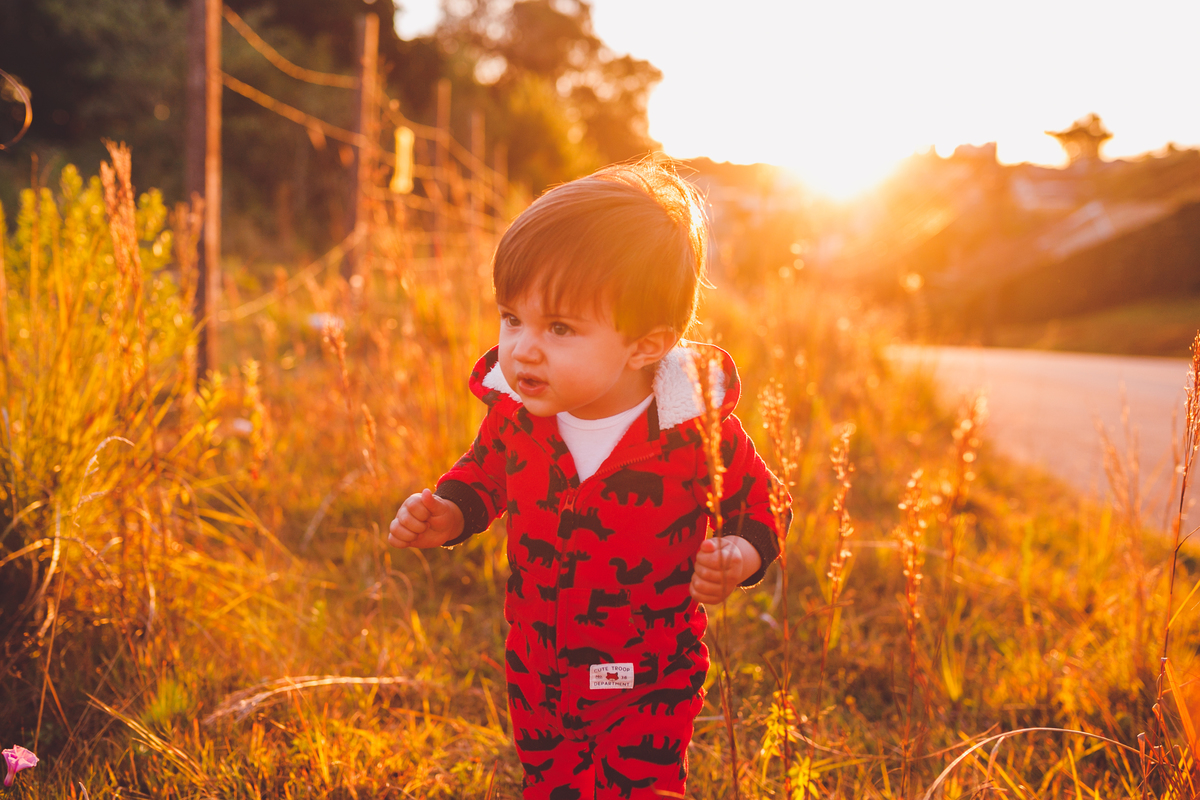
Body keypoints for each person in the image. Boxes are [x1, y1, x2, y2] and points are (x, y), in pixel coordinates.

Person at [388, 160, 790, 799]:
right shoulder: (518, 418)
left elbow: (762, 502)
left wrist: (742, 552)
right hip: (538, 666)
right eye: (512, 318)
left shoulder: (691, 429)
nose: (522, 348)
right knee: (551, 782)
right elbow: (484, 473)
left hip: (650, 676)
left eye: (560, 328)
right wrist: (450, 513)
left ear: (644, 345)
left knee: (640, 788)